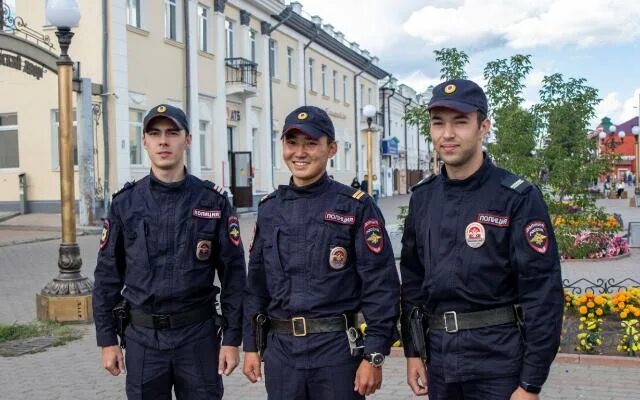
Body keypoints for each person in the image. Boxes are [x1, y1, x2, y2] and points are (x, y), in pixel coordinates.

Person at [400, 79, 563, 400]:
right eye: (438, 124)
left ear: (483, 126)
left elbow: (542, 293)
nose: (447, 134)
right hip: (441, 359)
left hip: (498, 359)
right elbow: (413, 282)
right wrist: (413, 352)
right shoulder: (423, 198)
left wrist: (531, 383)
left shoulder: (516, 197)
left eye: (460, 122)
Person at [242, 105, 400, 399]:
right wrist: (251, 346)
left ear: (331, 149)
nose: (299, 152)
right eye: (292, 143)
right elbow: (256, 287)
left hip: (336, 354)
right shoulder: (269, 209)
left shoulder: (355, 206)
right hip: (281, 355)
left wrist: (374, 354)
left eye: (311, 143)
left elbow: (381, 284)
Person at [93, 104, 246, 399]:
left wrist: (232, 339)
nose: (164, 141)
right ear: (145, 141)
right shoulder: (125, 203)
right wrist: (106, 339)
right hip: (142, 339)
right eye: (155, 133)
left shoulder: (212, 202)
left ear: (187, 139)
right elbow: (107, 276)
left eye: (172, 133)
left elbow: (235, 277)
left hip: (198, 337)